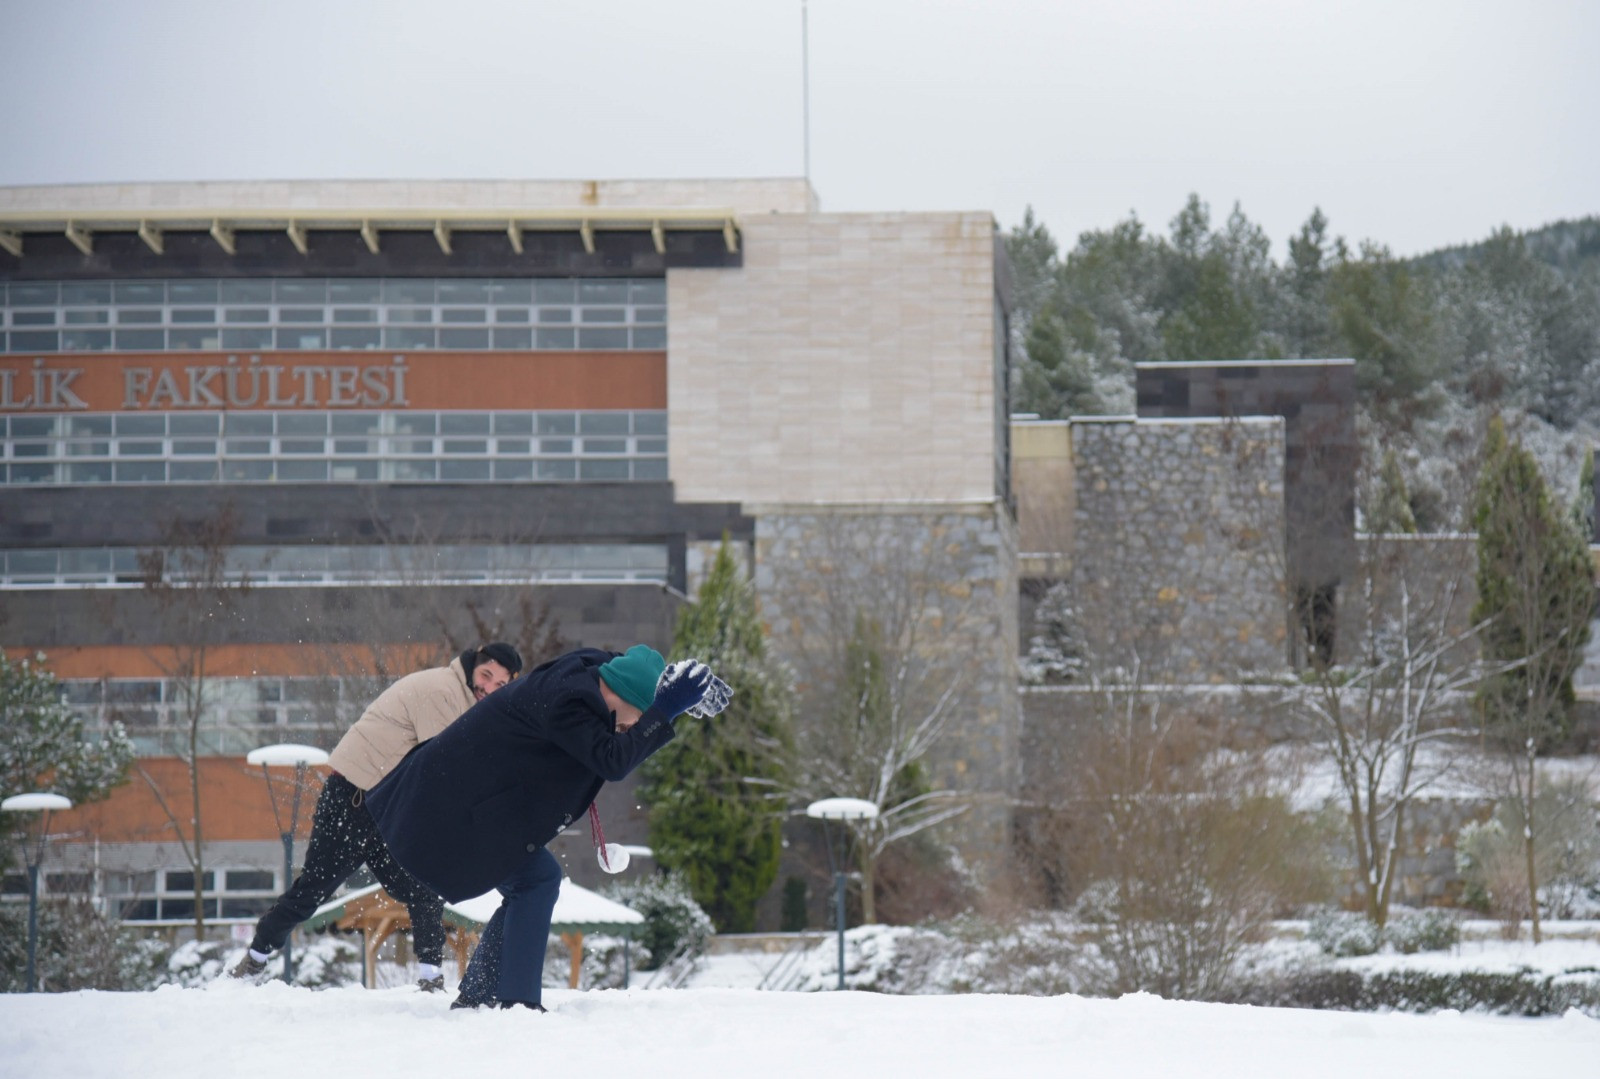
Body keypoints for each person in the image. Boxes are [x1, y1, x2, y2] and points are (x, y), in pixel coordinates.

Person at [365, 644, 715, 1011]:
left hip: (459, 798)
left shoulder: (593, 671)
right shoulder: (568, 702)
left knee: (535, 880)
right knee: (535, 881)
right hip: (446, 807)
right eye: (634, 720)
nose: (630, 729)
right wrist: (666, 709)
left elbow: (629, 665)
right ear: (622, 694)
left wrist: (680, 691)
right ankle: (516, 1002)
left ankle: (484, 994)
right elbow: (613, 760)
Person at [228, 642, 524, 989]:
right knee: (313, 889)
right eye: (485, 675)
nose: (488, 688)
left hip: (388, 805)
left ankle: (431, 978)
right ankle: (255, 960)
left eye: (500, 685)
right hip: (352, 800)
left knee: (424, 885)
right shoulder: (442, 691)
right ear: (473, 664)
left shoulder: (466, 702)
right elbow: (441, 768)